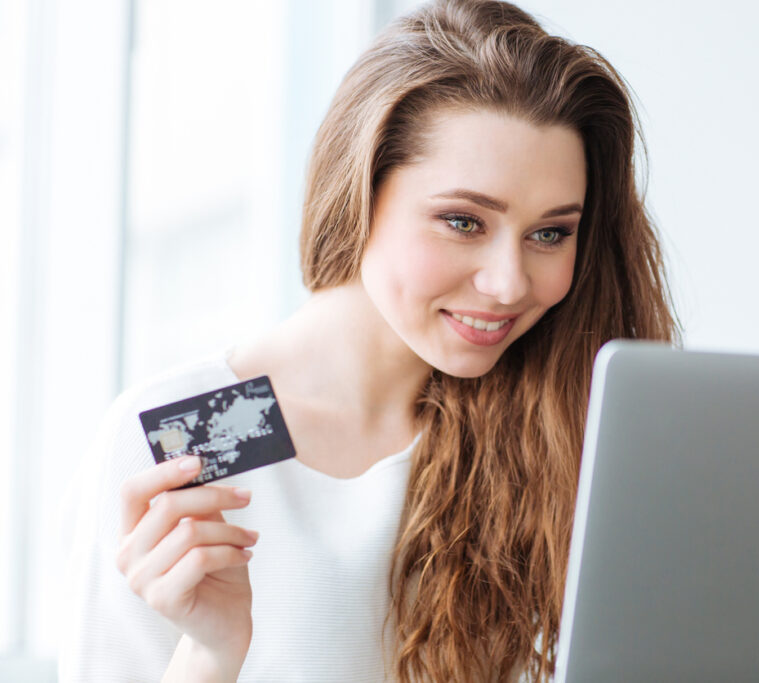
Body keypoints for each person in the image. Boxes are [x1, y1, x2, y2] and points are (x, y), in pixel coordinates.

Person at [59, 0, 680, 680]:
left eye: (550, 233)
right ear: (360, 188)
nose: (508, 283)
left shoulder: (556, 425)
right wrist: (210, 652)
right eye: (464, 222)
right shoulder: (188, 431)